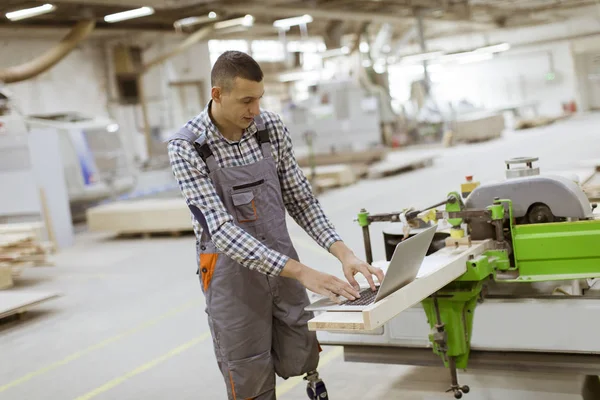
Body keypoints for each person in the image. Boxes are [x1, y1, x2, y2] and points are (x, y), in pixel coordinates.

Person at [167, 50, 384, 400]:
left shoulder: (269, 129)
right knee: (247, 369)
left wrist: (344, 254)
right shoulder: (187, 147)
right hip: (230, 278)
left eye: (259, 99)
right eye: (246, 101)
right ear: (217, 94)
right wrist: (301, 272)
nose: (254, 110)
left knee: (300, 346)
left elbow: (300, 199)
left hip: (284, 265)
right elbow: (221, 231)